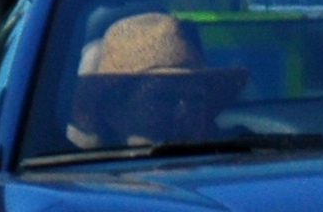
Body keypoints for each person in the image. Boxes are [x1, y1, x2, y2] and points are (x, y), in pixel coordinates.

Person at [67, 13, 239, 148]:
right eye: (164, 98)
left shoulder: (242, 162)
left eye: (197, 99)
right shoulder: (82, 183)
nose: (185, 114)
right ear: (112, 110)